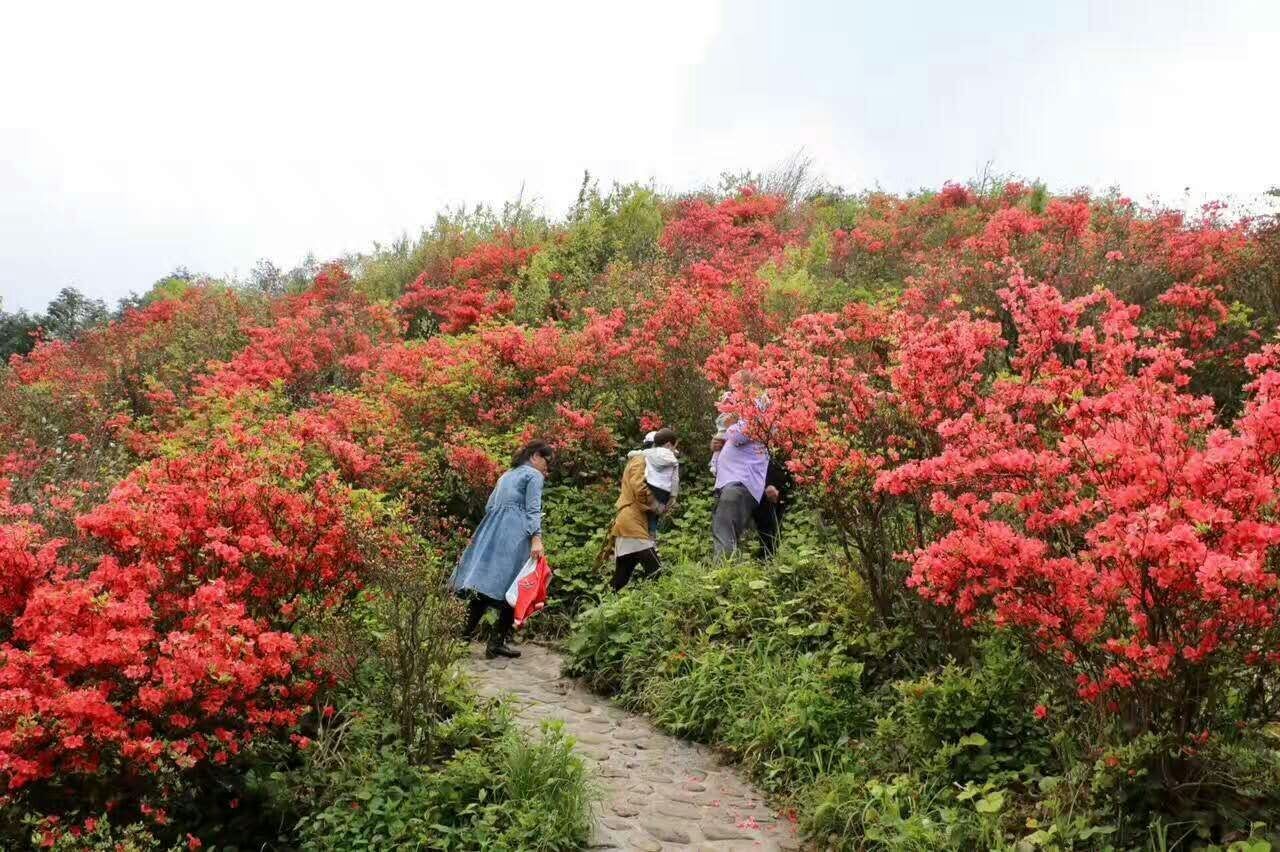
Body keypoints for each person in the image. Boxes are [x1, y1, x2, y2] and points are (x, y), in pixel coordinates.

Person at [451, 440, 552, 659]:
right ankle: (495, 643)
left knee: (483, 588)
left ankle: (463, 639)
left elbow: (489, 506)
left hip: (491, 532)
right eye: (546, 461)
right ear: (535, 456)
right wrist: (536, 538)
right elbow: (534, 509)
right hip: (515, 535)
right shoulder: (533, 476)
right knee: (514, 585)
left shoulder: (506, 475)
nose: (547, 467)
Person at [610, 428, 678, 591]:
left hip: (634, 523)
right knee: (656, 570)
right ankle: (662, 609)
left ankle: (603, 608)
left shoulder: (647, 461)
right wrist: (658, 507)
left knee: (620, 579)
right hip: (631, 523)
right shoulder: (640, 460)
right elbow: (639, 489)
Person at [711, 402, 770, 559]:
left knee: (724, 534)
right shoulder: (746, 418)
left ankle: (722, 576)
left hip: (739, 484)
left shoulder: (757, 411)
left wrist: (731, 425)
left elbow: (738, 435)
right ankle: (727, 574)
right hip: (732, 484)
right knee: (725, 532)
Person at [752, 454, 794, 559]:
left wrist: (772, 483)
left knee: (771, 525)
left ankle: (769, 556)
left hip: (777, 482)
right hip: (755, 481)